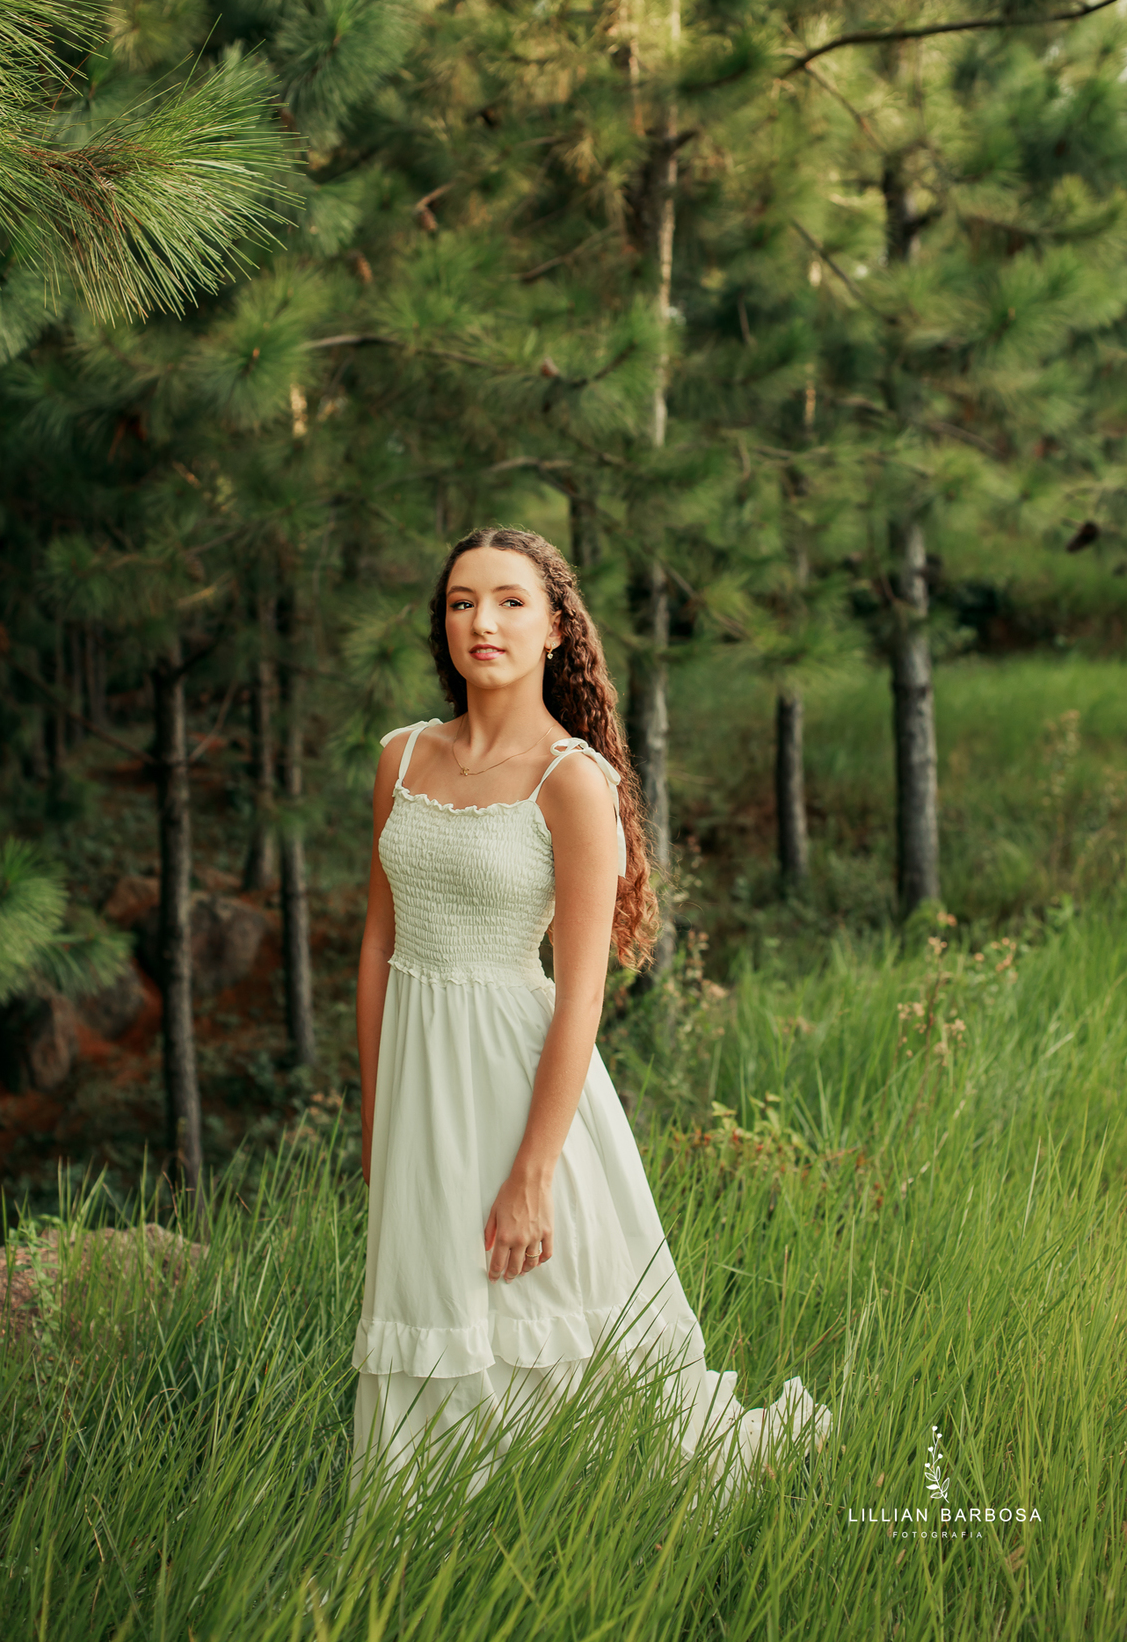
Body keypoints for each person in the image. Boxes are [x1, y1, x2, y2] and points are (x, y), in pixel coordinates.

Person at [349, 525, 831, 1512]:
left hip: (524, 1084)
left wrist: (532, 1171)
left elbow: (580, 995)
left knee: (550, 1316)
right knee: (433, 1299)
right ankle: (419, 1529)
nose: (482, 621)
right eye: (460, 601)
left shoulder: (573, 781)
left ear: (558, 627)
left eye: (510, 601)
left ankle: (577, 1507)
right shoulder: (399, 760)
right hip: (419, 1082)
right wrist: (376, 1115)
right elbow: (375, 944)